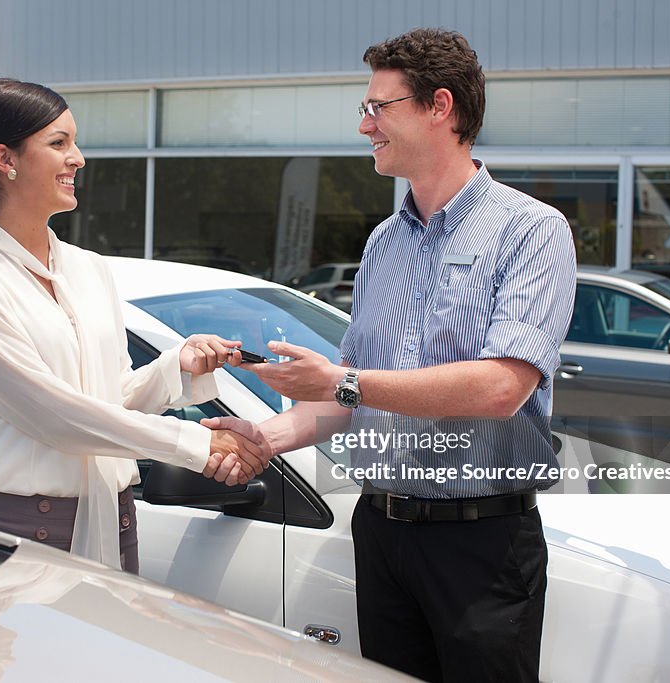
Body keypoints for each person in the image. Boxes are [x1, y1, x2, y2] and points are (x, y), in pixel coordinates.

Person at [203, 28, 576, 682]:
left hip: (480, 545)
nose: (363, 126)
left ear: (440, 107)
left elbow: (500, 388)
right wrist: (262, 436)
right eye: (364, 109)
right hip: (381, 531)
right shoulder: (383, 243)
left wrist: (345, 382)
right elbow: (344, 400)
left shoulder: (531, 231)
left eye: (379, 108)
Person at [0, 78, 263, 574]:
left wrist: (175, 366)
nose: (79, 158)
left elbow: (105, 401)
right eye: (59, 143)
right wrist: (197, 444)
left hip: (116, 519)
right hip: (29, 526)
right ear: (7, 160)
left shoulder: (89, 268)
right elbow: (51, 414)